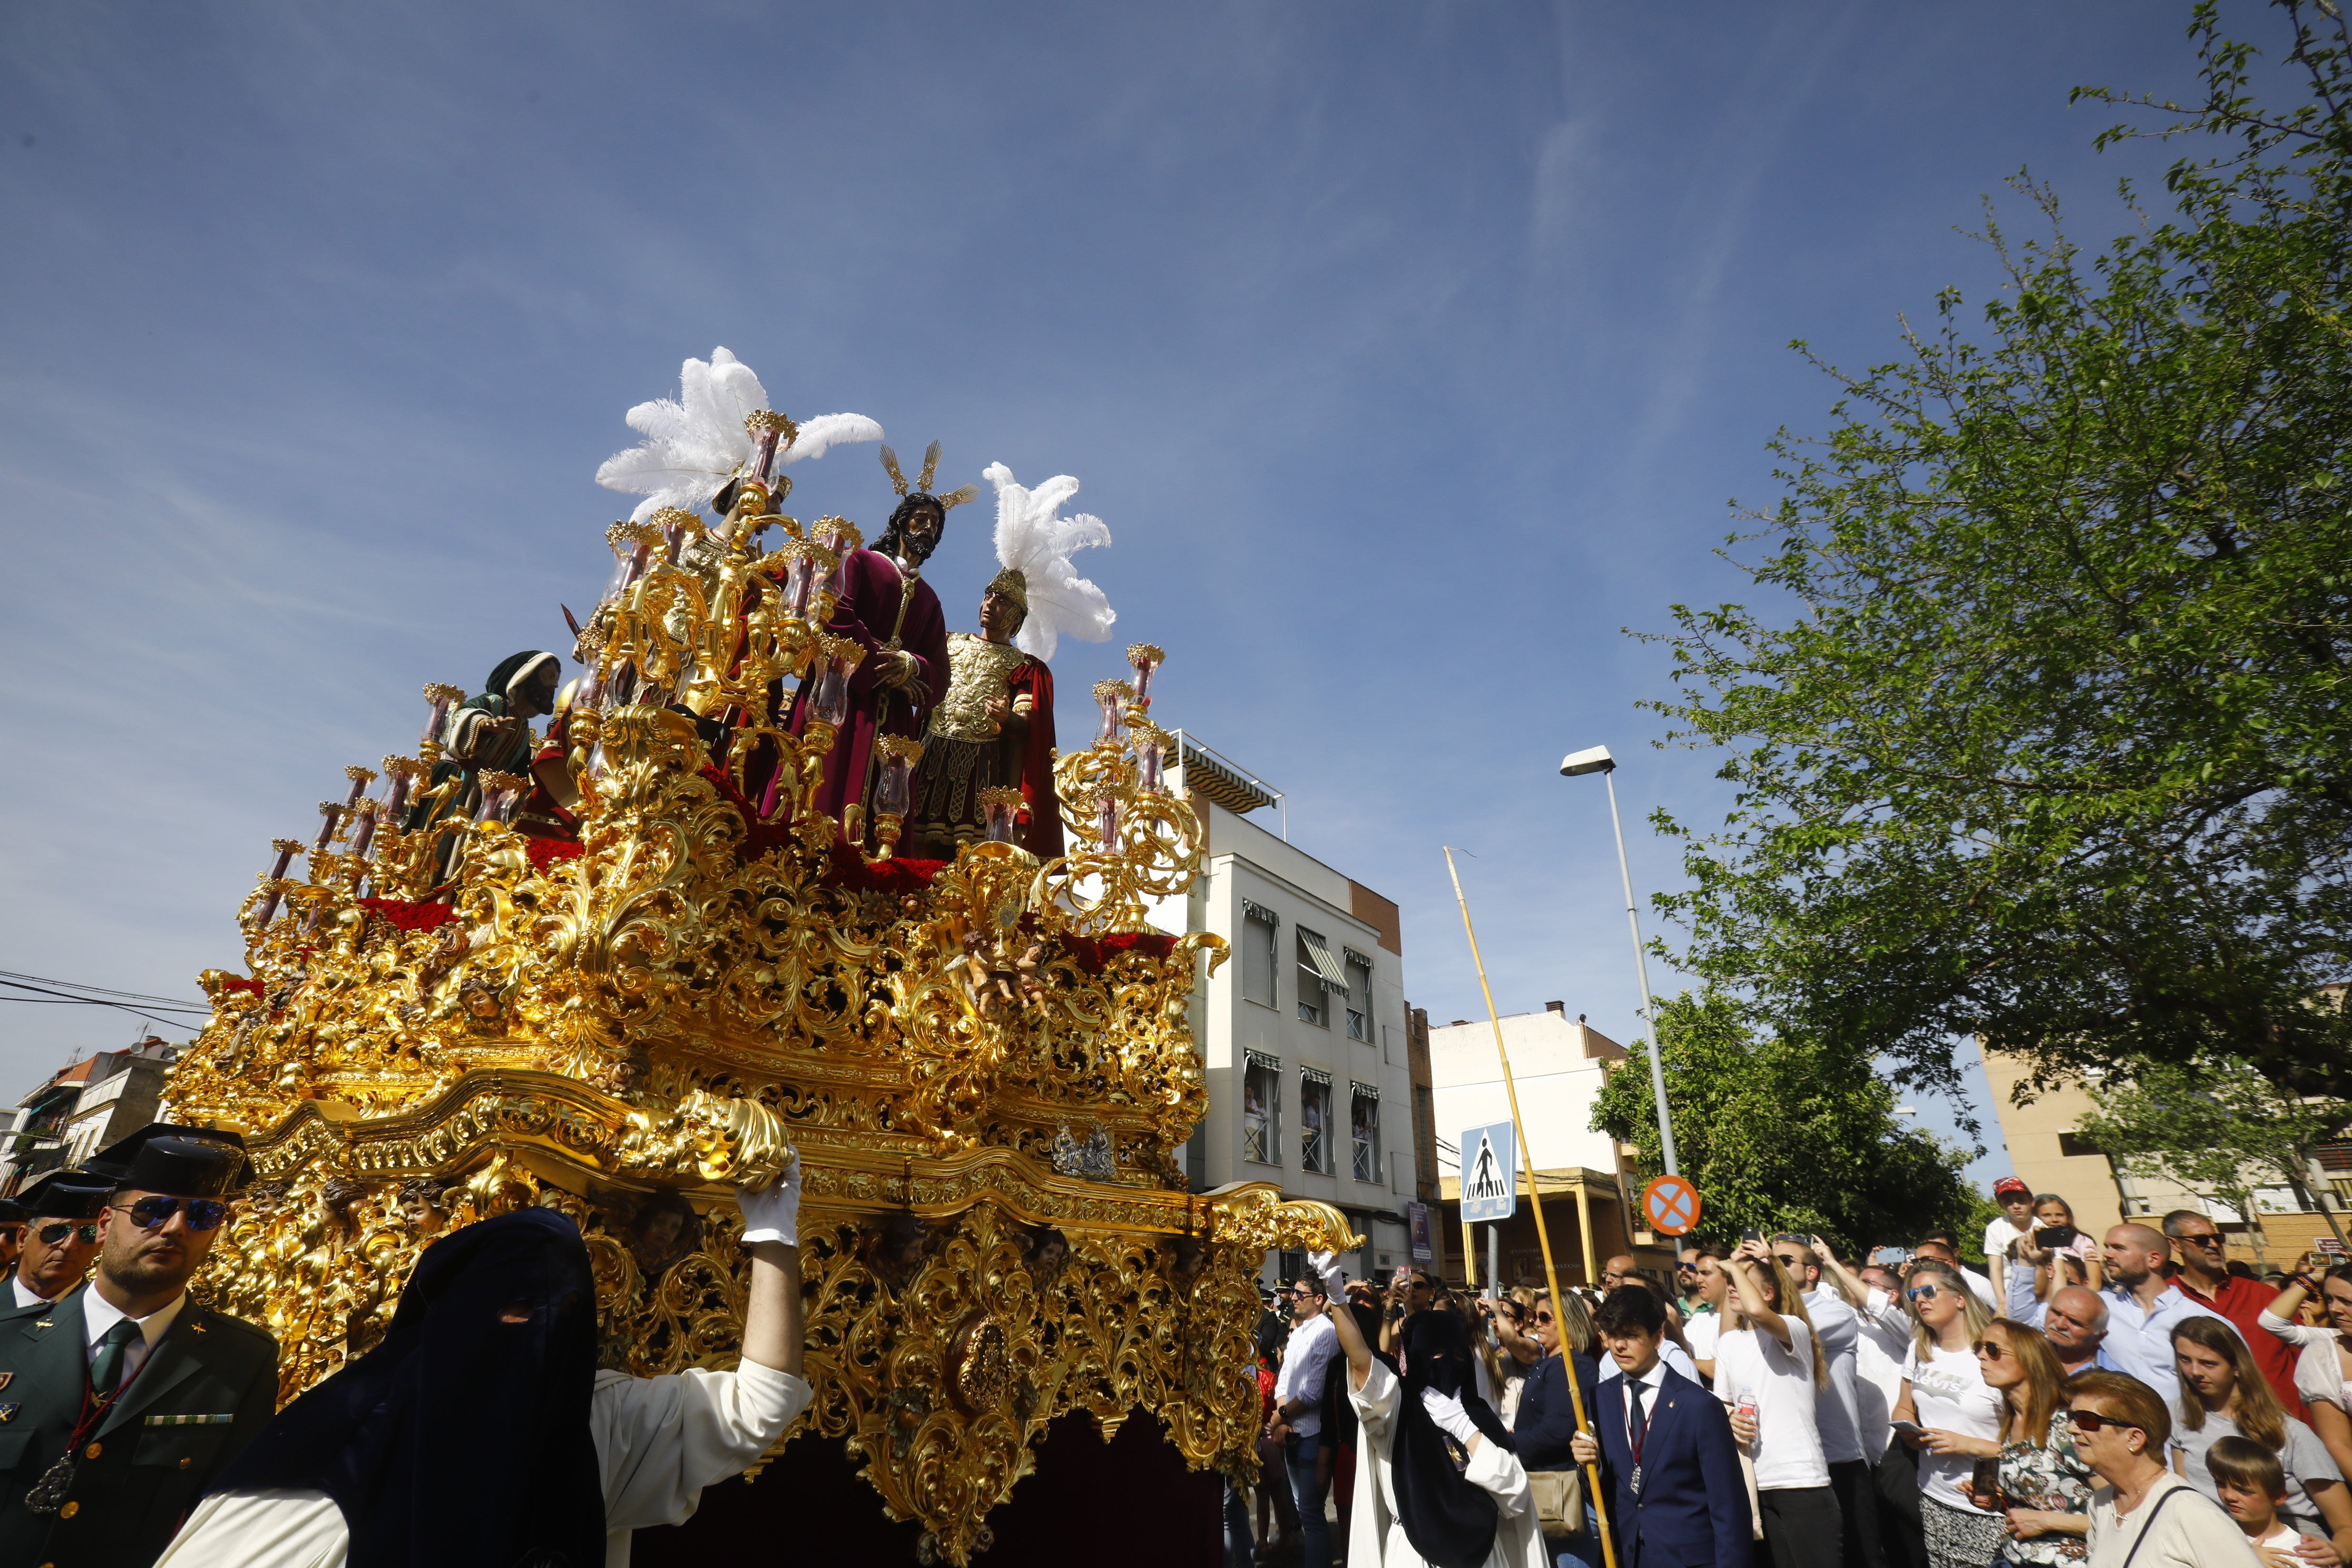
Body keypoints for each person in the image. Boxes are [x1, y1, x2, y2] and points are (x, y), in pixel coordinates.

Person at [156, 1163, 810, 1568]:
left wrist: (774, 1239)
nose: (531, 1333)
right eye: (511, 1310)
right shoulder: (337, 1440)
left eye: (560, 1310)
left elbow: (760, 1405)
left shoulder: (592, 1422)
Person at [0, 1126, 278, 1568]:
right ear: (107, 1223)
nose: (175, 1228)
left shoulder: (243, 1359)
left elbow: (224, 1512)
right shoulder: (6, 1334)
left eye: (203, 1215)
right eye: (153, 1210)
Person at [1306, 1251, 1545, 1568]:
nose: (1447, 1363)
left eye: (1457, 1355)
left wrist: (1464, 1428)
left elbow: (1514, 1492)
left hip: (1482, 1555)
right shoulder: (1398, 1408)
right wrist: (1337, 1294)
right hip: (1413, 1553)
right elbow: (1363, 1363)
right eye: (1436, 1355)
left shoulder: (1476, 1416)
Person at [781, 452, 958, 848]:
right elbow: (834, 612)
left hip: (892, 715)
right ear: (900, 522)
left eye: (936, 524)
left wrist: (912, 666)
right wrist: (884, 664)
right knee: (826, 777)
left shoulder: (930, 599)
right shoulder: (860, 561)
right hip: (842, 690)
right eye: (921, 519)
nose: (928, 528)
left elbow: (941, 675)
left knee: (885, 801)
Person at [1567, 1285, 1752, 1568]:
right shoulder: (1599, 1397)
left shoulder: (1698, 1406)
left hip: (1690, 1559)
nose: (1619, 1345)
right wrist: (1589, 1465)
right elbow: (1604, 1493)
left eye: (1631, 1335)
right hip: (1629, 1556)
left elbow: (1730, 1508)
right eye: (1613, 1335)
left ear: (1657, 1337)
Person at [905, 569, 1064, 859]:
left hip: (982, 768)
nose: (990, 604)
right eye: (988, 596)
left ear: (1017, 616)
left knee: (971, 857)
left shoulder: (1024, 665)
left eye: (1001, 601)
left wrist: (1008, 718)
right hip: (930, 753)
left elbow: (1028, 727)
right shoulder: (948, 643)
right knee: (913, 841)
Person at [2166, 1315, 2352, 1560]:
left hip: (2291, 1546)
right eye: (2185, 1360)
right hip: (2215, 1545)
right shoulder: (2179, 1416)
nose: (2195, 1372)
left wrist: (2339, 1551)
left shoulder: (2289, 1433)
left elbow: (2345, 1525)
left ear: (2236, 1367)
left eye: (2209, 1363)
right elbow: (2188, 1502)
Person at [1714, 1241, 1836, 1568]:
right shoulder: (1729, 1343)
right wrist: (1729, 1418)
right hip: (1755, 1485)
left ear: (1768, 1294)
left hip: (1801, 1482)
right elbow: (1723, 1403)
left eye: (1742, 1281)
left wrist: (1734, 1266)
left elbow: (1756, 1313)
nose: (1733, 1286)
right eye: (1732, 1283)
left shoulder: (1793, 1328)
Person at [2066, 1369, 2260, 1566]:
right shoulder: (2101, 1504)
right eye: (2071, 1416)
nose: (2071, 1428)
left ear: (2134, 1438)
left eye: (2085, 1420)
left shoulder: (2191, 1512)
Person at [1895, 1258, 2007, 1568]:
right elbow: (1905, 1404)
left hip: (1988, 1502)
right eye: (1913, 1295)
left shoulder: (1995, 1353)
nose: (1920, 1300)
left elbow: (2032, 1445)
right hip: (1934, 1495)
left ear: (1960, 1298)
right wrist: (1909, 1428)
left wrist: (1965, 1443)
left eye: (1929, 1291)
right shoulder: (1919, 1347)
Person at [1781, 1235, 1881, 1568]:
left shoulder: (1835, 1310)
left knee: (1861, 1556)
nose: (1773, 1267)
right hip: (1795, 1463)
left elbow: (1791, 1333)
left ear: (1812, 1272)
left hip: (1840, 1458)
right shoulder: (1766, 1313)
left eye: (1783, 1261)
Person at [2164, 1210, 2309, 1422]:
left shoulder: (2267, 1296)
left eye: (2217, 1238)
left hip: (2285, 1421)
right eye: (2201, 1240)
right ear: (2176, 1245)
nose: (2214, 1245)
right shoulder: (2163, 1301)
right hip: (2214, 1430)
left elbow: (2305, 1360)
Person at [1969, 1318, 2094, 1563]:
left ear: (2028, 1360)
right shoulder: (2012, 1422)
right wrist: (1999, 1501)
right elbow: (2037, 1504)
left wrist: (2045, 1521)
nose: (1981, 1356)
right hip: (2015, 1556)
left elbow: (2124, 1513)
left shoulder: (2065, 1427)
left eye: (1993, 1349)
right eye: (1979, 1347)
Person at [1512, 1289, 1606, 1567]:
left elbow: (1557, 1430)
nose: (1537, 1323)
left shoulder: (1573, 1364)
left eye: (1545, 1317)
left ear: (1568, 1322)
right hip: (1545, 1492)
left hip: (1566, 1497)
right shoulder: (1548, 1363)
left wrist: (1507, 1445)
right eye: (1534, 1316)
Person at [2095, 1223, 2235, 1404]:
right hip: (2117, 1427)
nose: (2107, 1254)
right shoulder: (2099, 1307)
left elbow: (2238, 1383)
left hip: (2184, 1427)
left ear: (2154, 1259)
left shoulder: (2201, 1318)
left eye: (2119, 1248)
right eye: (2107, 1247)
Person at [1269, 1273, 1340, 1568]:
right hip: (1291, 1432)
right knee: (1302, 1507)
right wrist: (1282, 1420)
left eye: (1301, 1293)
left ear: (1319, 1299)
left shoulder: (1326, 1332)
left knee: (1311, 1513)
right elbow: (1283, 1380)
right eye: (1294, 1293)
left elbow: (1313, 1393)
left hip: (1312, 1434)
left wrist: (1280, 1416)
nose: (1294, 1297)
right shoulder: (1297, 1333)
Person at [2262, 1265, 2352, 1482]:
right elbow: (2338, 1443)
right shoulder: (2324, 1353)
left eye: (2346, 1301)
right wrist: (2314, 1277)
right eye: (2329, 1299)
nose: (2335, 1309)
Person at [2209, 1435, 2333, 1567]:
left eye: (2243, 1490)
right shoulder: (2214, 1529)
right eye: (2220, 1484)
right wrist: (2245, 1557)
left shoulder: (2299, 1552)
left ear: (2279, 1497)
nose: (2229, 1496)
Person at [5, 1172, 110, 1312]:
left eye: (88, 1234)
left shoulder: (101, 1321)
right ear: (23, 1238)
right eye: (56, 1232)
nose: (69, 1245)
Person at [1912, 1237, 2000, 1313]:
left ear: (1949, 1264)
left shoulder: (1979, 1284)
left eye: (1927, 1261)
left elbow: (2001, 1313)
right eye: (1916, 1262)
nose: (1921, 1266)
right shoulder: (1916, 1288)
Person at [1988, 1180, 2041, 1305]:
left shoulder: (2042, 1226)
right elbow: (1996, 1269)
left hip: (2042, 1291)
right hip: (2011, 1293)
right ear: (2001, 1205)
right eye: (2009, 1202)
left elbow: (2057, 1268)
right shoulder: (1995, 1228)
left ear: (2032, 1201)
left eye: (2021, 1200)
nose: (2016, 1206)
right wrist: (2002, 1303)